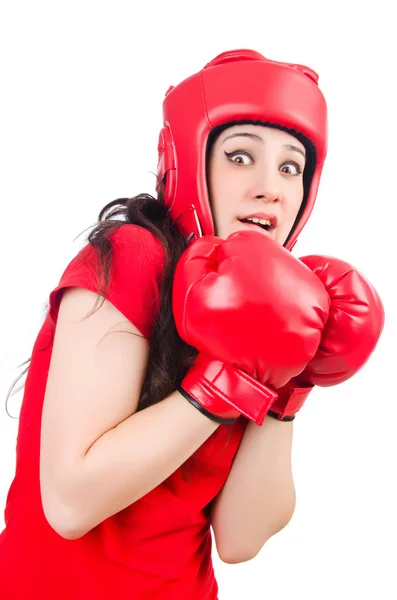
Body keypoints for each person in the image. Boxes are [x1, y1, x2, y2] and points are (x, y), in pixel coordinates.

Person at [0, 49, 384, 599]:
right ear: (185, 160)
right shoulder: (133, 257)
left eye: (290, 166)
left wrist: (291, 382)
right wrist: (224, 378)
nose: (271, 187)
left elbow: (239, 538)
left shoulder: (278, 307)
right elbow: (69, 502)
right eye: (240, 157)